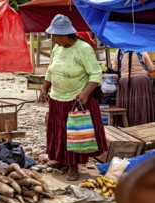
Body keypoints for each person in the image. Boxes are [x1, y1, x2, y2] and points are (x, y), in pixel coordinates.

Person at [39, 14, 108, 181]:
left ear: (65, 34)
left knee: (75, 134)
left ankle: (73, 167)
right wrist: (44, 87)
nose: (52, 38)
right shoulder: (57, 48)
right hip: (57, 99)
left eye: (55, 35)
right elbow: (50, 70)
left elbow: (96, 73)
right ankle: (62, 160)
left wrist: (85, 93)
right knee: (59, 132)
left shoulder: (83, 49)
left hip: (76, 99)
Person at [112, 49, 155, 126]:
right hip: (141, 82)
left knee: (127, 105)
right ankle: (144, 124)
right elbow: (151, 68)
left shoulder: (118, 51)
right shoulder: (141, 50)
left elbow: (114, 68)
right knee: (141, 105)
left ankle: (126, 124)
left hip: (124, 82)